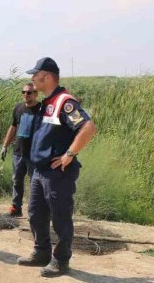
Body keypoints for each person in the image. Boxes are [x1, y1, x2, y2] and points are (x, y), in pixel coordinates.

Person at [16, 57, 96, 277]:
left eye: (36, 75)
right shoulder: (48, 101)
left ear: (48, 76)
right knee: (35, 213)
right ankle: (41, 252)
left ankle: (61, 261)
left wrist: (69, 154)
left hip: (57, 174)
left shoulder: (65, 101)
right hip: (40, 171)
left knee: (60, 217)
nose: (32, 79)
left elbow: (88, 128)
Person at [0, 82, 41, 217]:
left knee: (35, 183)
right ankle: (16, 207)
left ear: (36, 94)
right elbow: (12, 128)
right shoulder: (18, 108)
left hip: (34, 154)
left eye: (29, 92)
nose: (25, 95)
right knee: (17, 180)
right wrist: (5, 146)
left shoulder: (42, 109)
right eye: (23, 92)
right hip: (18, 152)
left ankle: (35, 210)